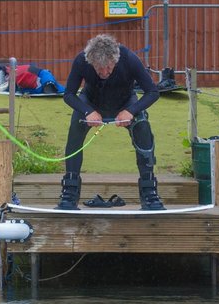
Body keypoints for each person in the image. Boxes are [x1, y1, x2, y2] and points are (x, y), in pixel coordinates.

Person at [57, 34, 165, 210]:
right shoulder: (81, 61)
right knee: (75, 129)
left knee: (142, 128)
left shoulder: (129, 59)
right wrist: (88, 111)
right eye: (99, 69)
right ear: (90, 62)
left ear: (115, 60)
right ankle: (69, 192)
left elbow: (152, 92)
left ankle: (149, 192)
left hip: (125, 102)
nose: (104, 72)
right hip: (91, 102)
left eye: (108, 68)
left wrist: (131, 111)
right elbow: (68, 94)